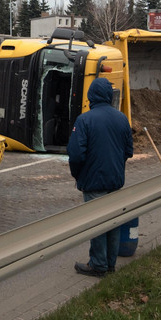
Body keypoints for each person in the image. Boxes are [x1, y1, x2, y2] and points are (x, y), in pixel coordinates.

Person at [67, 77, 134, 277]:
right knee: (112, 222)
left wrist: (78, 175)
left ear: (90, 96)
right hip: (115, 181)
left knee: (97, 224)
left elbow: (76, 154)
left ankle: (98, 265)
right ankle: (110, 263)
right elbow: (129, 151)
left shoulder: (84, 120)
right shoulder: (122, 118)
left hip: (93, 182)